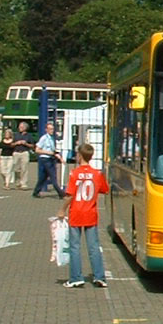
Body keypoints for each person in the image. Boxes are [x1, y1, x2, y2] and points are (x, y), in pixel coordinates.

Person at [60, 142, 110, 288]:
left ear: (80, 156)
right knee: (94, 246)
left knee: (75, 247)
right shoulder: (97, 174)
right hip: (91, 213)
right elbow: (104, 189)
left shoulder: (74, 173)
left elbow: (70, 195)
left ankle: (76, 277)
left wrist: (62, 209)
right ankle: (99, 276)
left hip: (76, 213)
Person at [32, 121, 63, 198]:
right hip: (45, 159)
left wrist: (57, 155)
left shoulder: (51, 138)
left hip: (50, 159)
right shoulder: (44, 138)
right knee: (53, 176)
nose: (52, 131)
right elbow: (37, 150)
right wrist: (49, 153)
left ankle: (36, 192)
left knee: (43, 177)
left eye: (52, 129)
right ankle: (61, 193)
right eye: (50, 129)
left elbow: (52, 150)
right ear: (46, 129)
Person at [9, 121, 34, 189]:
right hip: (16, 152)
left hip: (24, 152)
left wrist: (26, 143)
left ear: (25, 128)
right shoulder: (15, 135)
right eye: (19, 127)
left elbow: (32, 146)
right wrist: (16, 143)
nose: (19, 128)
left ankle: (23, 183)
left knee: (24, 168)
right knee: (16, 169)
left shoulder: (29, 136)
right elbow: (11, 144)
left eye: (21, 127)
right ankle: (17, 182)